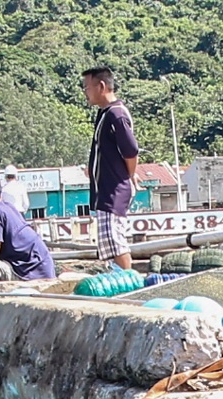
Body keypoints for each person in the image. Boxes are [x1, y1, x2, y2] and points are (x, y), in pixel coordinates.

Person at [82, 66, 140, 271]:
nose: (85, 92)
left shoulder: (116, 114)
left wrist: (129, 175)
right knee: (108, 243)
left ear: (101, 86)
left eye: (87, 87)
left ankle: (129, 280)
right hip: (104, 190)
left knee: (116, 241)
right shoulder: (104, 113)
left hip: (114, 189)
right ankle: (120, 277)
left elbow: (131, 151)